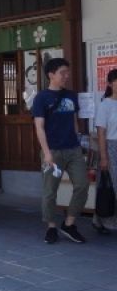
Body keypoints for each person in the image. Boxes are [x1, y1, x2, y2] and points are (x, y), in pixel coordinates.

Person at [32, 58, 88, 244]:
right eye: (63, 72)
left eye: (67, 72)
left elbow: (73, 120)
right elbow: (39, 127)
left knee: (82, 185)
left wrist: (79, 139)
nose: (67, 76)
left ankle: (69, 223)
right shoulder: (41, 98)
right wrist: (46, 152)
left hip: (73, 149)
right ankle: (51, 227)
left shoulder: (71, 95)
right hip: (53, 151)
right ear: (51, 75)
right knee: (50, 192)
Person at [95, 68, 117, 232]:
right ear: (110, 84)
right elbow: (101, 132)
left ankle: (99, 219)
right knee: (111, 185)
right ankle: (107, 220)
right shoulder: (105, 105)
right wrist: (103, 157)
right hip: (110, 147)